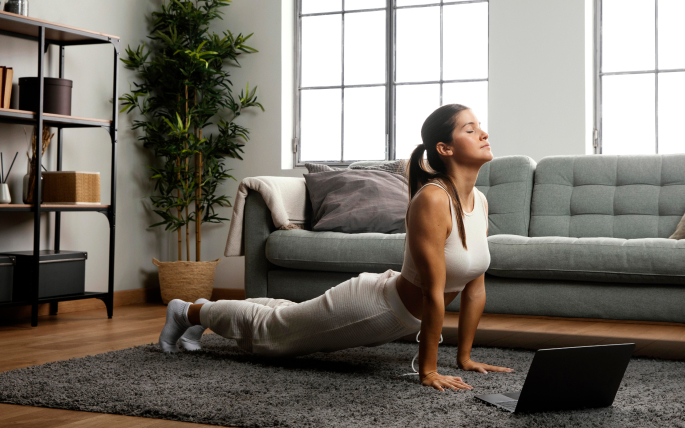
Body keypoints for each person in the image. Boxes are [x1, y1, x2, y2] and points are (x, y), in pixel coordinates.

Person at [158, 104, 514, 392]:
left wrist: (465, 357)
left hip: (395, 310)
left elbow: (474, 289)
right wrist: (428, 371)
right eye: (470, 129)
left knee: (290, 314)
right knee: (274, 333)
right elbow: (434, 293)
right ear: (445, 149)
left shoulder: (478, 201)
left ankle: (206, 308)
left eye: (479, 125)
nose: (483, 133)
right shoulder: (433, 200)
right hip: (376, 308)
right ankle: (188, 312)